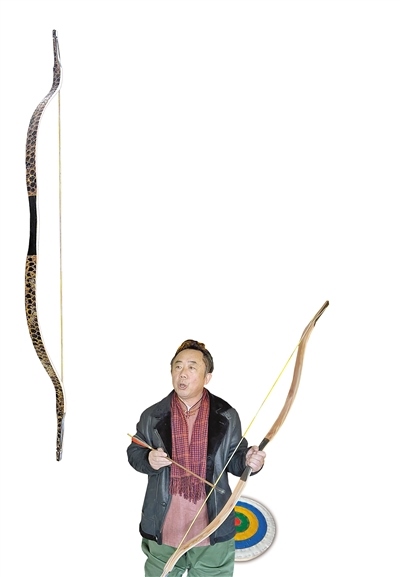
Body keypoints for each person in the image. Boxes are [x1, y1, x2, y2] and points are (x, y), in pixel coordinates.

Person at [127, 339, 266, 577]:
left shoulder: (226, 415)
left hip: (212, 526)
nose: (183, 373)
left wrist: (249, 460)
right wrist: (149, 458)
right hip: (163, 526)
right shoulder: (152, 415)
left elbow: (235, 458)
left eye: (192, 367)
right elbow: (135, 451)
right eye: (178, 366)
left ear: (207, 377)